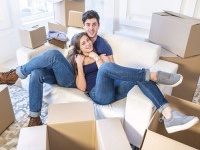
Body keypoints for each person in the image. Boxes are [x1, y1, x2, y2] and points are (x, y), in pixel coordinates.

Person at [68, 32, 199, 134]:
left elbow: (111, 71)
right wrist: (79, 65)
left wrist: (96, 57)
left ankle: (169, 116)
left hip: (115, 87)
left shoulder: (102, 55)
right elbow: (82, 87)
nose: (88, 43)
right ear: (79, 49)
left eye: (88, 40)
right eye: (83, 43)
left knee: (138, 77)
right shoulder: (78, 62)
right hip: (99, 94)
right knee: (107, 68)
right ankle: (153, 75)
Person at [0, 10, 112, 127]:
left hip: (75, 78)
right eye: (88, 25)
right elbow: (70, 56)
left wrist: (93, 58)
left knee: (53, 54)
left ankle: (14, 74)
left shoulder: (103, 45)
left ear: (98, 25)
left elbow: (111, 67)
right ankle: (35, 118)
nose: (91, 28)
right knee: (36, 73)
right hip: (64, 71)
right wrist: (87, 57)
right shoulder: (77, 38)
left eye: (94, 24)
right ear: (83, 25)